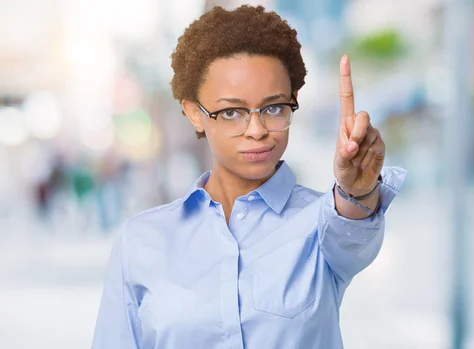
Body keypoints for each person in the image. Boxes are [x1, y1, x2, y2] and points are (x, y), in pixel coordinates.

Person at [92, 5, 406, 349]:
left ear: (292, 102)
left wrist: (356, 192)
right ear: (195, 114)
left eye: (273, 108)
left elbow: (353, 234)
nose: (257, 130)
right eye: (231, 112)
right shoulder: (141, 241)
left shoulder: (322, 224)